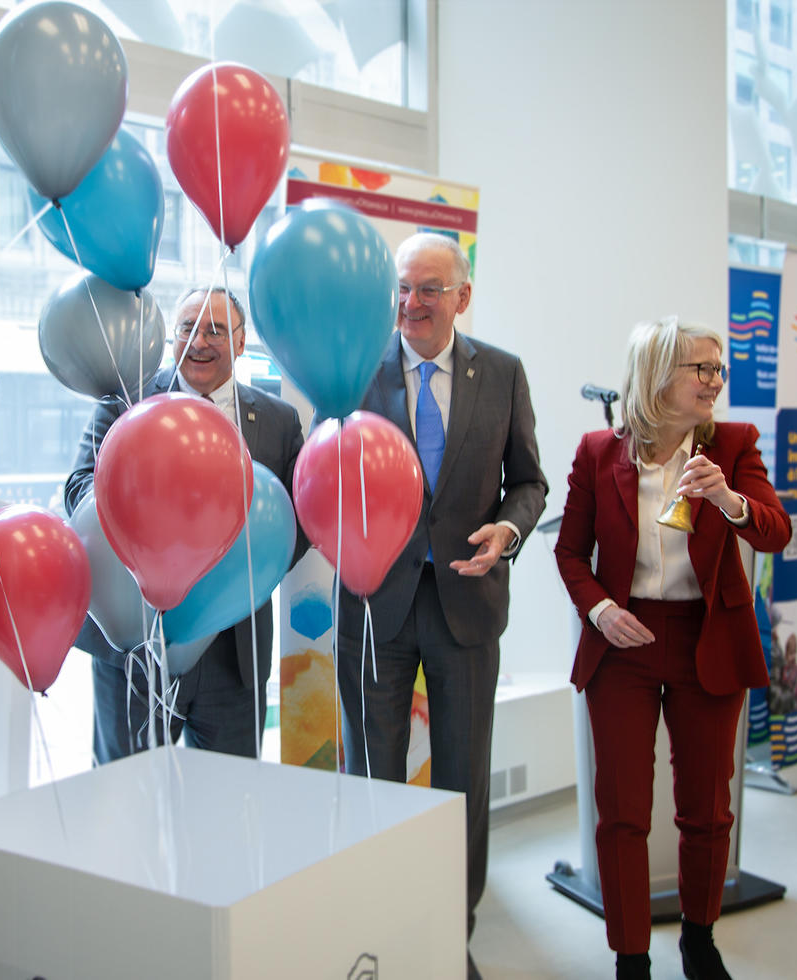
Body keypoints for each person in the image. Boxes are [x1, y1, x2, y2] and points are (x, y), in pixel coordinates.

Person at [554, 316, 790, 980]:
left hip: (705, 638)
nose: (715, 382)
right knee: (622, 812)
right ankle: (631, 956)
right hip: (622, 643)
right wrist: (601, 610)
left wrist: (728, 498)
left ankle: (699, 939)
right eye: (702, 369)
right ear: (658, 374)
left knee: (707, 810)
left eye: (719, 369)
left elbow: (775, 531)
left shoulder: (734, 445)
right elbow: (570, 552)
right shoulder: (598, 452)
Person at [335, 232, 547, 961]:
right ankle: (377, 934)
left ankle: (451, 939)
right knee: (373, 777)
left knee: (462, 782)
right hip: (375, 606)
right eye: (403, 287)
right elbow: (325, 470)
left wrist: (509, 531)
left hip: (468, 603)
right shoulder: (353, 370)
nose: (412, 302)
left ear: (463, 296)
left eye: (429, 288)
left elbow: (529, 481)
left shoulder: (504, 374)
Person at [64, 286, 305, 762]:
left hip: (233, 652)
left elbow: (296, 518)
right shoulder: (126, 399)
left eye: (215, 330)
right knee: (126, 789)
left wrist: (244, 574)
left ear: (241, 342)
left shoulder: (278, 420)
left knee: (229, 792)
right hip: (135, 641)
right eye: (187, 328)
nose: (199, 342)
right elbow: (79, 488)